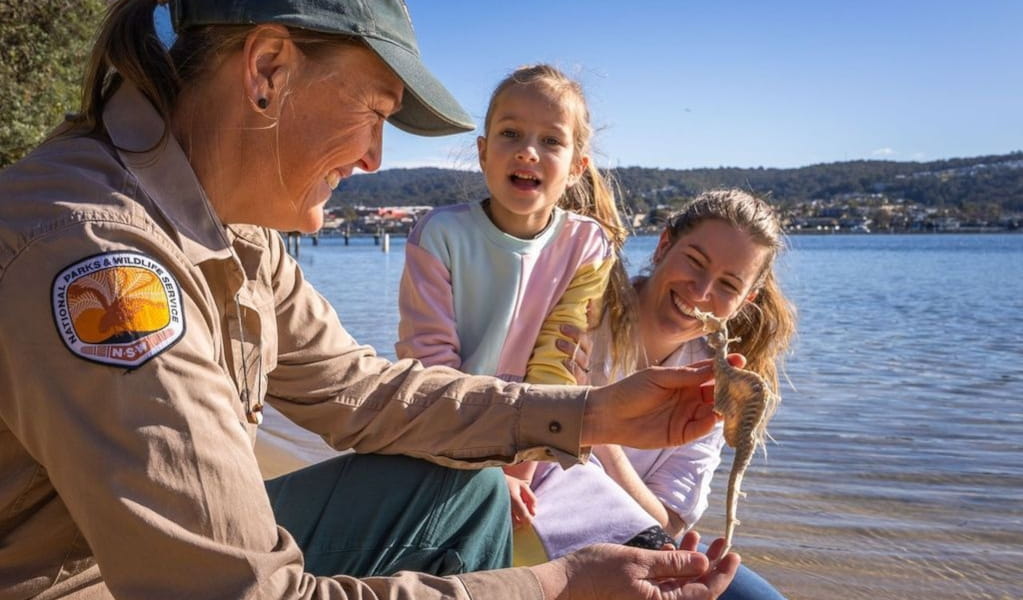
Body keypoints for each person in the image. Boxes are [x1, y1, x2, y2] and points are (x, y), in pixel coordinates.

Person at [0, 1, 738, 599]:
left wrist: (590, 415)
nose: (375, 160)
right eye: (376, 112)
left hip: (111, 558)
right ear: (266, 71)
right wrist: (553, 585)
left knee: (470, 496)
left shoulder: (233, 230)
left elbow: (358, 390)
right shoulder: (103, 266)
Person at [521, 190, 797, 600]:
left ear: (745, 301)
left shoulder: (711, 382)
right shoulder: (580, 316)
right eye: (695, 262)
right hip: (542, 528)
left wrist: (597, 422)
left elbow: (668, 523)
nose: (701, 291)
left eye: (728, 284)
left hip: (638, 541)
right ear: (664, 245)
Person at [394, 63, 634, 530]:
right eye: (510, 133)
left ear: (577, 167)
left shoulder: (587, 245)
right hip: (442, 434)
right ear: (483, 152)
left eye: (551, 141)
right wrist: (487, 476)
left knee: (634, 540)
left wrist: (517, 471)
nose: (528, 152)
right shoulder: (440, 233)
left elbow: (558, 363)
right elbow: (431, 366)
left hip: (538, 444)